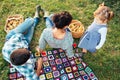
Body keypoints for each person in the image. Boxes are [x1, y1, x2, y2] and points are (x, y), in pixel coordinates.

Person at [2, 5, 43, 80]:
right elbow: (34, 78)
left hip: (11, 36)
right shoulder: (27, 68)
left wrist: (25, 30)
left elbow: (20, 34)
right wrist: (39, 66)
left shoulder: (13, 42)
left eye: (25, 49)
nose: (30, 51)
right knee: (32, 26)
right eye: (29, 52)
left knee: (30, 22)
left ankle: (31, 20)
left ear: (17, 49)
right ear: (25, 62)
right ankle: (35, 19)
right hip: (23, 41)